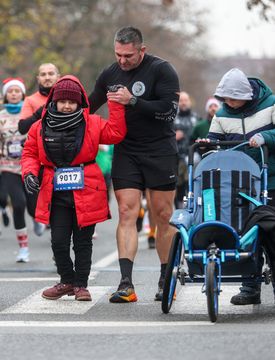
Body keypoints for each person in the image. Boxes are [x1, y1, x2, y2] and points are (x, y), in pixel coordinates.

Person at [87, 26, 180, 303]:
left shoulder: (162, 70)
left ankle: (166, 278)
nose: (122, 61)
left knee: (162, 215)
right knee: (127, 212)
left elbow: (169, 110)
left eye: (128, 55)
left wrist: (133, 101)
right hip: (126, 151)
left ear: (142, 50)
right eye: (118, 54)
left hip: (160, 151)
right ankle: (126, 283)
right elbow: (89, 105)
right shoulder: (109, 74)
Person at [22, 76, 126, 301]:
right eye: (63, 102)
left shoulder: (94, 123)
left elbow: (116, 134)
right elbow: (29, 152)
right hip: (54, 192)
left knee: (82, 242)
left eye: (72, 102)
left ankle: (81, 285)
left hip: (87, 190)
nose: (67, 106)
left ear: (80, 103)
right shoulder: (39, 127)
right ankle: (66, 281)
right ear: (54, 102)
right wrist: (29, 173)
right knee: (58, 240)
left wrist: (116, 104)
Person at [200, 67, 275, 305]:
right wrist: (206, 144)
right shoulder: (221, 113)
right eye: (225, 98)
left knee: (271, 233)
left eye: (233, 99)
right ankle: (249, 287)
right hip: (239, 181)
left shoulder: (270, 103)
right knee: (244, 233)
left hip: (269, 178)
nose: (228, 103)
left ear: (246, 95)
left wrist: (266, 138)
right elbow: (214, 141)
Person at [0, 78, 39, 262]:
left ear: (23, 94)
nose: (14, 94)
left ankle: (37, 219)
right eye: (11, 91)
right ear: (5, 95)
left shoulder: (31, 114)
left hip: (30, 166)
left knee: (34, 209)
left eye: (18, 91)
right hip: (8, 167)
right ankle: (23, 248)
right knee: (18, 204)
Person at [17, 63, 61, 137]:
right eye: (43, 75)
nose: (47, 77)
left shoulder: (66, 99)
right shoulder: (30, 100)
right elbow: (22, 128)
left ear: (58, 77)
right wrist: (41, 111)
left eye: (51, 74)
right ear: (38, 79)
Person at [173, 92, 200, 210]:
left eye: (185, 100)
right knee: (178, 185)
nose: (183, 103)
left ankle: (192, 208)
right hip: (177, 157)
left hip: (194, 157)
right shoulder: (173, 118)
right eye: (181, 100)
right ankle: (179, 208)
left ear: (189, 102)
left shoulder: (197, 118)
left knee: (192, 184)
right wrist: (172, 136)